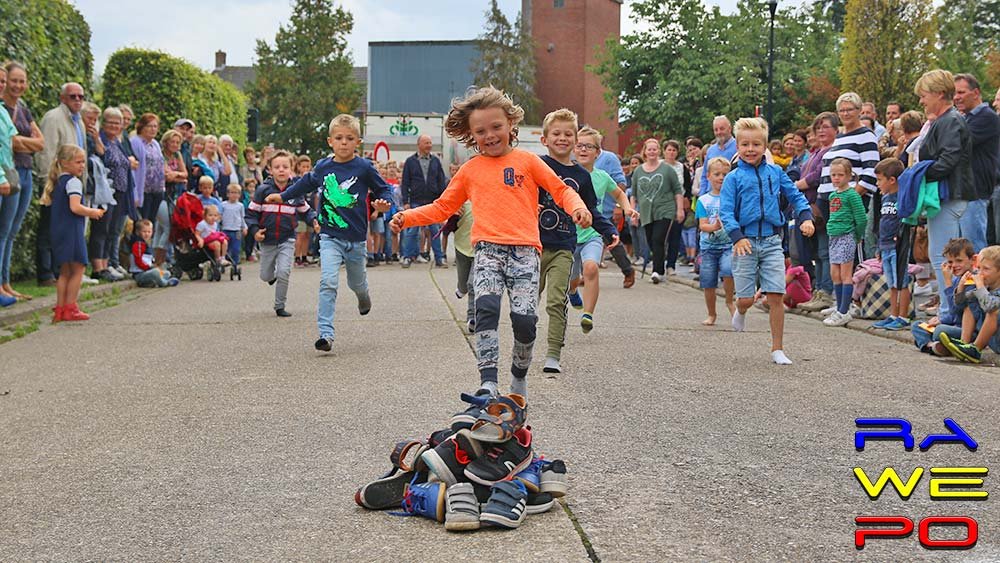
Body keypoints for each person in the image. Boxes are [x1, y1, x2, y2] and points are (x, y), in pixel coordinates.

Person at [390, 86, 590, 399]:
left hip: (525, 252)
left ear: (511, 124)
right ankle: (488, 381)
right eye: (480, 131)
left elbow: (561, 189)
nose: (490, 135)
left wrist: (577, 206)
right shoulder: (470, 170)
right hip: (487, 251)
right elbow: (443, 207)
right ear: (471, 135)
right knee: (485, 309)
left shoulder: (528, 161)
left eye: (496, 127)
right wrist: (407, 217)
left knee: (525, 321)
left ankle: (518, 377)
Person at [267, 115, 391, 347]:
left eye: (349, 138)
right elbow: (305, 183)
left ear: (358, 142)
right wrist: (283, 195)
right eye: (339, 138)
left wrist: (384, 203)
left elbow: (384, 189)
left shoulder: (364, 167)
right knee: (328, 281)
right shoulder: (324, 166)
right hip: (329, 236)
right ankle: (326, 333)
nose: (344, 142)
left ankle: (363, 297)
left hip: (356, 239)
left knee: (357, 283)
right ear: (330, 141)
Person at [720, 117, 815, 365]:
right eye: (745, 145)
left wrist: (805, 217)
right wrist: (737, 237)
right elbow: (726, 212)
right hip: (745, 242)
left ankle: (777, 348)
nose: (750, 149)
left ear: (765, 147)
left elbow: (796, 196)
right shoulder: (733, 178)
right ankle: (740, 310)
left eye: (756, 144)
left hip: (772, 240)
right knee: (747, 298)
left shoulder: (776, 172)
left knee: (776, 296)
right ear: (738, 147)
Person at [534, 110, 618, 374]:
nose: (562, 138)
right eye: (556, 134)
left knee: (556, 301)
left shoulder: (582, 176)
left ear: (575, 139)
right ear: (544, 139)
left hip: (563, 246)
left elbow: (592, 209)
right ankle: (523, 345)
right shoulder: (536, 166)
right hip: (533, 246)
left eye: (568, 134)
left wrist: (608, 231)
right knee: (526, 302)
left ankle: (553, 354)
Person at [915, 69, 976, 325]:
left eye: (924, 95)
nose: (921, 101)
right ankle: (950, 311)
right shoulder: (947, 119)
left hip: (950, 196)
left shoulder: (949, 120)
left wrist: (920, 174)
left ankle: (950, 314)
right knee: (942, 255)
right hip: (948, 196)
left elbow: (948, 159)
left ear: (940, 94)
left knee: (946, 258)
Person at [249, 150, 317, 318]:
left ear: (291, 169)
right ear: (270, 170)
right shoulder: (262, 190)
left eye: (285, 166)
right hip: (267, 239)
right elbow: (251, 214)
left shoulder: (295, 191)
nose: (281, 170)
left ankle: (280, 305)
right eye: (277, 167)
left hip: (287, 238)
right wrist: (255, 231)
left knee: (284, 271)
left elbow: (305, 211)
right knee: (265, 275)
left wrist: (314, 221)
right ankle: (271, 277)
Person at [41, 145, 104, 321]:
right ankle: (71, 307)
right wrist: (93, 212)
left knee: (64, 272)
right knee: (79, 268)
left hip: (59, 231)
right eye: (78, 162)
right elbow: (75, 207)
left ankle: (60, 308)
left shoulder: (58, 182)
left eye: (83, 161)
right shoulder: (73, 182)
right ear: (65, 163)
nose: (82, 165)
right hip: (72, 231)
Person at [35, 83, 87, 286]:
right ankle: (45, 273)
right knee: (48, 228)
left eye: (81, 96)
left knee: (64, 230)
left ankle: (60, 271)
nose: (77, 100)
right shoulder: (53, 118)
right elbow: (47, 151)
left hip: (72, 183)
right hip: (56, 183)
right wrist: (50, 181)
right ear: (62, 98)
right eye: (72, 96)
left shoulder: (78, 121)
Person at [1, 62, 44, 301]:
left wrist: (22, 141)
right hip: (9, 169)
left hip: (26, 171)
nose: (18, 85)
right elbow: (12, 142)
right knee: (3, 230)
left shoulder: (23, 110)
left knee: (12, 231)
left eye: (21, 81)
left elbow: (41, 142)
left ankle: (6, 283)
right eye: (13, 80)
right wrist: (26, 142)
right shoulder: (2, 109)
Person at [954, 73, 999, 251]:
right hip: (963, 191)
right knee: (960, 249)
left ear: (976, 92)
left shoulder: (986, 117)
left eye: (961, 92)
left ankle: (981, 279)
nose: (956, 97)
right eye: (954, 94)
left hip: (976, 191)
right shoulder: (966, 118)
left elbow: (956, 144)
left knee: (973, 248)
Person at [822, 158, 867, 327]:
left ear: (849, 176)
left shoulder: (852, 195)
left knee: (845, 274)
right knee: (835, 273)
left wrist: (857, 235)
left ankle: (844, 311)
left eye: (840, 175)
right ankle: (840, 305)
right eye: (833, 175)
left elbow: (862, 218)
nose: (836, 178)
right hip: (833, 236)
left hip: (847, 236)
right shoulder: (833, 195)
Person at [630, 138, 683, 282]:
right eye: (649, 149)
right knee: (651, 241)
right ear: (645, 152)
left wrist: (680, 210)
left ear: (659, 151)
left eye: (655, 149)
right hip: (646, 212)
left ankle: (657, 271)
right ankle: (659, 264)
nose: (652, 152)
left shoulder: (667, 169)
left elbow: (677, 190)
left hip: (665, 209)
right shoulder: (638, 171)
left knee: (658, 238)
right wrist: (632, 212)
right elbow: (633, 194)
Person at [911, 238, 976, 355]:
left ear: (972, 260)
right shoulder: (957, 279)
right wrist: (940, 320)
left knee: (939, 331)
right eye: (950, 262)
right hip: (954, 325)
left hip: (968, 330)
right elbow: (952, 315)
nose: (954, 265)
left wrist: (948, 282)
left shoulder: (972, 281)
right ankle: (932, 346)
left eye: (959, 261)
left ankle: (929, 344)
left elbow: (956, 310)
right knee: (917, 326)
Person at [939, 245, 1000, 363]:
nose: (980, 273)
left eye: (986, 269)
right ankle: (964, 343)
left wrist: (980, 287)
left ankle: (975, 349)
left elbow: (990, 306)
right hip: (994, 341)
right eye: (979, 268)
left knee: (993, 310)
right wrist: (960, 288)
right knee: (971, 302)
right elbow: (959, 306)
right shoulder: (986, 287)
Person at [870, 158, 911, 331]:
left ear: (892, 180)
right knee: (892, 283)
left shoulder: (902, 197)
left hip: (897, 246)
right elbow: (883, 223)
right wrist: (879, 245)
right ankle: (893, 314)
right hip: (885, 246)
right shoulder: (885, 198)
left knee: (902, 281)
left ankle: (903, 316)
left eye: (880, 180)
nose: (877, 184)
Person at [695, 157, 735, 326]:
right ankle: (711, 313)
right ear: (708, 176)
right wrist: (715, 226)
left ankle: (729, 301)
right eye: (717, 174)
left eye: (725, 174)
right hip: (708, 247)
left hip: (728, 245)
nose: (721, 178)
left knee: (728, 270)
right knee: (708, 281)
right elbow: (702, 225)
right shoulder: (703, 200)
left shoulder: (733, 198)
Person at [401, 134, 448, 268]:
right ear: (419, 145)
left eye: (430, 143)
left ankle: (439, 258)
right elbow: (405, 183)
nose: (429, 145)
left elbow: (441, 181)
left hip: (432, 202)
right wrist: (406, 201)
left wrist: (442, 200)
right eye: (426, 143)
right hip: (415, 201)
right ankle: (407, 257)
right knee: (412, 231)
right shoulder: (410, 161)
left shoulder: (435, 161)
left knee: (434, 231)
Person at [0, 65, 17, 306]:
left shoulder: (3, 110)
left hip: (7, 172)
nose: (2, 84)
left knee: (4, 233)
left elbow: (10, 141)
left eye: (2, 81)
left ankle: (3, 285)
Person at [129, 113, 164, 222]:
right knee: (141, 223)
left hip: (157, 190)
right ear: (142, 126)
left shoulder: (155, 144)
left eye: (155, 126)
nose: (153, 129)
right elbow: (133, 169)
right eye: (149, 126)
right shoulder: (136, 142)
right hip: (143, 190)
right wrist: (135, 194)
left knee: (151, 223)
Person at [128, 219, 179, 288]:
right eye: (144, 232)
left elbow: (149, 259)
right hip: (140, 273)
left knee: (166, 272)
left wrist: (153, 264)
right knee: (155, 273)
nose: (147, 234)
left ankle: (152, 282)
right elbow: (138, 261)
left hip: (148, 270)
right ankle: (165, 283)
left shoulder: (147, 244)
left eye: (149, 232)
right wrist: (149, 267)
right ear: (138, 232)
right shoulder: (138, 244)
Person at [699, 116, 737, 195]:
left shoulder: (738, 148)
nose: (719, 132)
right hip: (711, 199)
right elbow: (704, 175)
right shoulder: (710, 150)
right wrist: (702, 196)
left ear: (730, 129)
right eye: (716, 130)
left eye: (722, 129)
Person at [293, 154, 314, 267]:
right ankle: (297, 257)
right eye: (303, 166)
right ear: (299, 167)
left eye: (307, 166)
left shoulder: (312, 180)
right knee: (300, 234)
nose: (305, 169)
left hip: (309, 211)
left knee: (307, 234)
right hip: (299, 212)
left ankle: (305, 257)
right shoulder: (296, 180)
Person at [221, 184, 247, 266]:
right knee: (226, 248)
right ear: (228, 194)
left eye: (236, 193)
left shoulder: (240, 206)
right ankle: (224, 261)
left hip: (236, 230)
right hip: (226, 229)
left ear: (239, 195)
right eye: (232, 192)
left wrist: (244, 227)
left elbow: (242, 218)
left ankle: (235, 264)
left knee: (236, 248)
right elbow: (220, 217)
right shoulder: (223, 205)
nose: (234, 195)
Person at [161, 129, 187, 199]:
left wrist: (175, 174)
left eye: (177, 142)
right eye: (172, 142)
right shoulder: (161, 154)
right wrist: (181, 179)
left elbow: (185, 174)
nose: (175, 145)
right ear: (166, 142)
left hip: (175, 191)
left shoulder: (177, 154)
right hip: (163, 190)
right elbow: (168, 177)